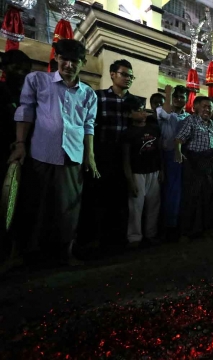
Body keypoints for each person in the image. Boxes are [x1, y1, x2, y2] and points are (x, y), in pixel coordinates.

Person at [8, 39, 99, 266]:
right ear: (56, 58)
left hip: (73, 157)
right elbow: (25, 112)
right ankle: (27, 254)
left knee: (69, 208)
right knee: (34, 205)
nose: (68, 65)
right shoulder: (38, 81)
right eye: (64, 59)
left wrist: (90, 156)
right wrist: (20, 144)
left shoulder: (89, 94)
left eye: (74, 61)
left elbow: (89, 126)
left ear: (83, 63)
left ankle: (64, 253)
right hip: (41, 153)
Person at [80, 59, 136, 248]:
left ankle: (117, 240)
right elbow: (89, 124)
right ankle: (94, 240)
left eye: (130, 76)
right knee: (97, 196)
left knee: (120, 198)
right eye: (124, 74)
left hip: (125, 155)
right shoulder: (99, 96)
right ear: (112, 74)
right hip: (102, 151)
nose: (128, 78)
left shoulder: (134, 102)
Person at [175, 97, 213, 238]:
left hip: (211, 164)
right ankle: (186, 232)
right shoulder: (191, 120)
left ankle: (207, 229)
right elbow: (179, 139)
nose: (207, 109)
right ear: (196, 107)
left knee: (211, 197)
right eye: (204, 106)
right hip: (195, 164)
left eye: (210, 107)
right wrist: (178, 152)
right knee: (192, 198)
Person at [122, 96, 163, 247]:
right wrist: (130, 180)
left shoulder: (154, 129)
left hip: (154, 171)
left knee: (154, 205)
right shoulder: (128, 133)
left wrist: (161, 170)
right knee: (136, 207)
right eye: (137, 111)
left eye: (142, 109)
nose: (142, 113)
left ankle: (151, 234)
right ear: (128, 114)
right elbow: (126, 159)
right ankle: (134, 237)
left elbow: (159, 151)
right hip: (137, 173)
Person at [157, 85, 189, 240]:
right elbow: (165, 113)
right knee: (164, 193)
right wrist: (168, 93)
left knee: (177, 194)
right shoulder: (161, 112)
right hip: (164, 156)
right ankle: (163, 228)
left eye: (182, 97)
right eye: (176, 97)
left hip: (181, 158)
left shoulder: (187, 117)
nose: (178, 99)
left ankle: (174, 227)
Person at [0, 50, 32, 181]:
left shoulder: (30, 98)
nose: (20, 74)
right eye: (16, 68)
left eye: (25, 71)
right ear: (4, 68)